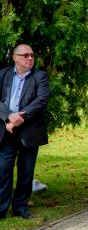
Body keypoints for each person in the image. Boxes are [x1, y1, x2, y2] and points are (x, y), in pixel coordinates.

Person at [0, 43, 50, 219]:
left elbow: (41, 100)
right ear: (15, 58)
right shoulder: (3, 74)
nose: (30, 58)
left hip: (29, 131)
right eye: (25, 55)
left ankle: (20, 208)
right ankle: (1, 209)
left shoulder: (39, 76)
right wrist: (8, 117)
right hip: (6, 130)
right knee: (3, 169)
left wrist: (19, 118)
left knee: (26, 171)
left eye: (32, 55)